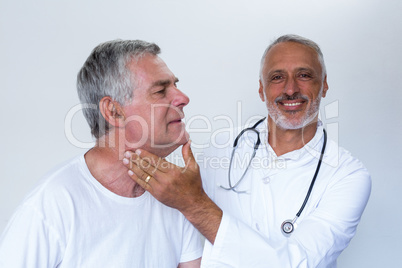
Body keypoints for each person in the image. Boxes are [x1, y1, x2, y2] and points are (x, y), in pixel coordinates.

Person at [123, 34, 371, 267]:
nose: (290, 89)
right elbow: (169, 224)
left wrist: (195, 205)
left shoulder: (348, 175)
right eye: (277, 77)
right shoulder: (220, 148)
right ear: (262, 89)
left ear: (324, 85)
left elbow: (298, 263)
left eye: (304, 75)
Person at [0, 40, 202, 267]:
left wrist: (194, 204)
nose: (183, 98)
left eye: (175, 85)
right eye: (160, 90)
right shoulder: (51, 207)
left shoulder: (177, 196)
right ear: (114, 112)